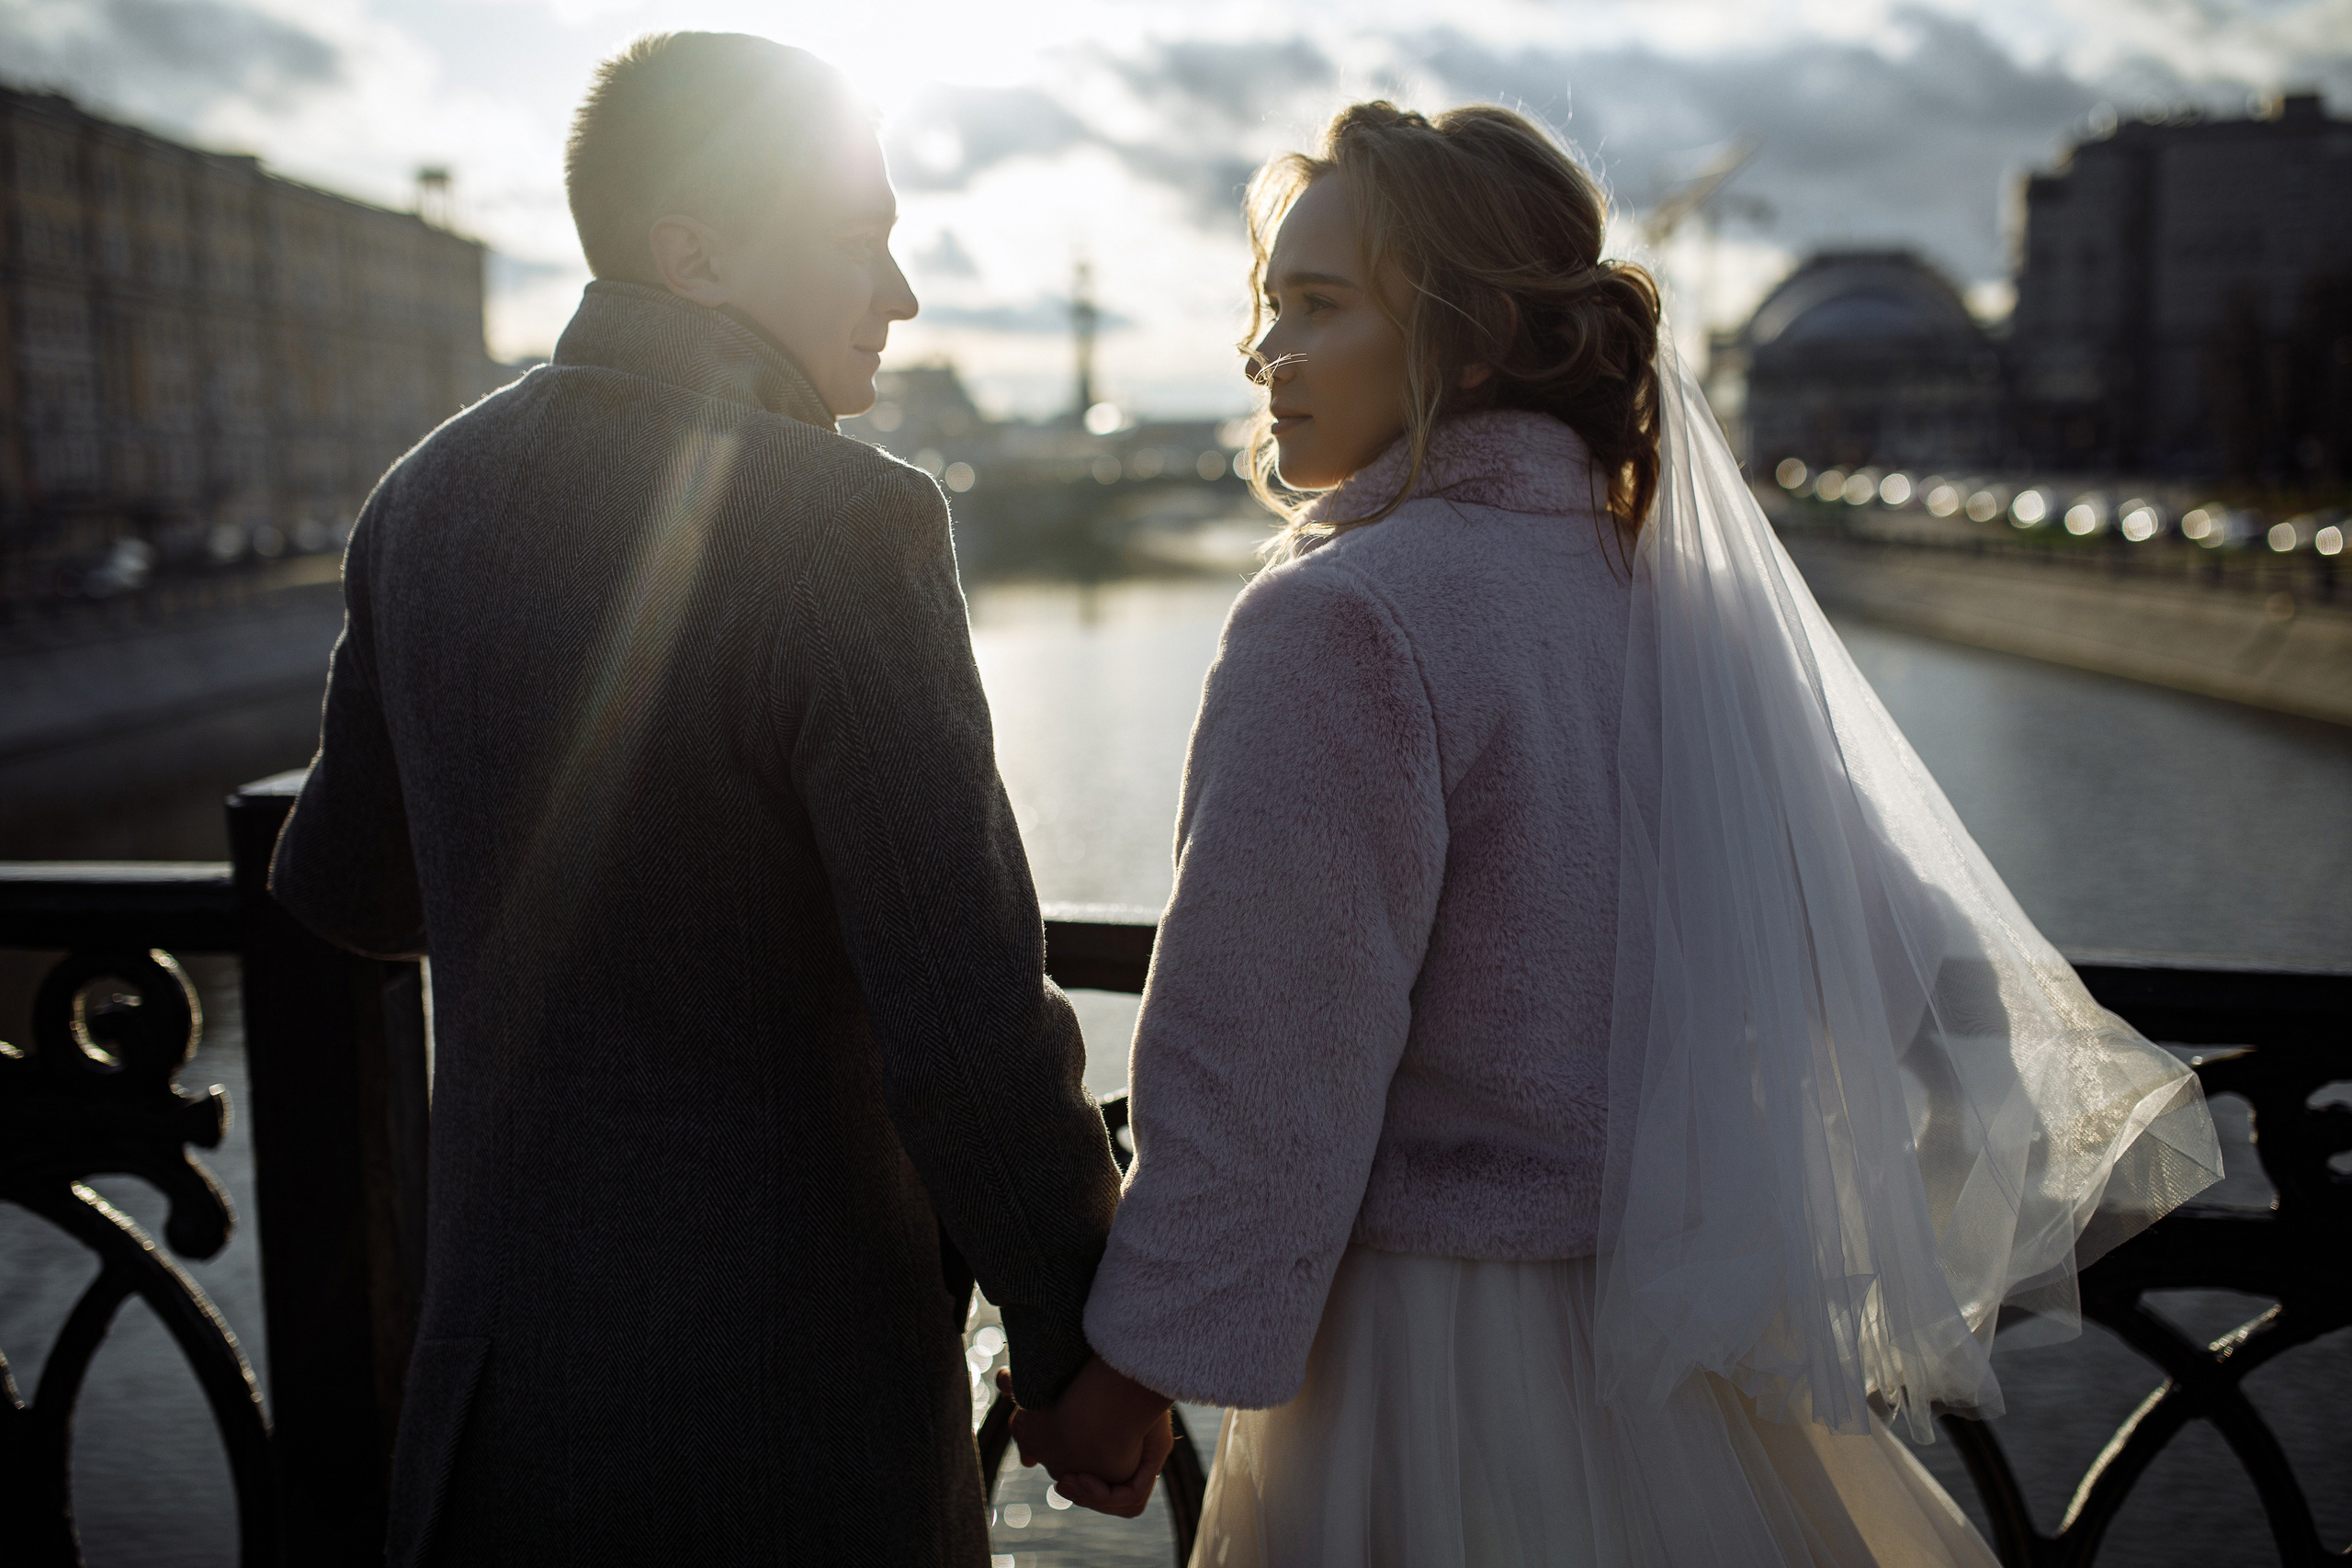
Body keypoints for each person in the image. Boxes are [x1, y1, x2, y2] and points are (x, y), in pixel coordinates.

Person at [1010, 102, 2223, 1564]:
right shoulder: (1675, 606)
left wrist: (1128, 1378)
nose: (1263, 356)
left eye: (1317, 307)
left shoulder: (1341, 620)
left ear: (1463, 341)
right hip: (1685, 1369)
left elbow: (1264, 1071)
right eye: (1269, 310)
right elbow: (1931, 979)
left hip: (1431, 1368)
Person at [269, 33, 1127, 1565]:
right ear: (699, 252)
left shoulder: (424, 498)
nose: (902, 293)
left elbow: (347, 888)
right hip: (784, 1429)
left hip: (494, 1421)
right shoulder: (847, 523)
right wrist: (1072, 1348)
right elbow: (964, 1000)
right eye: (861, 237)